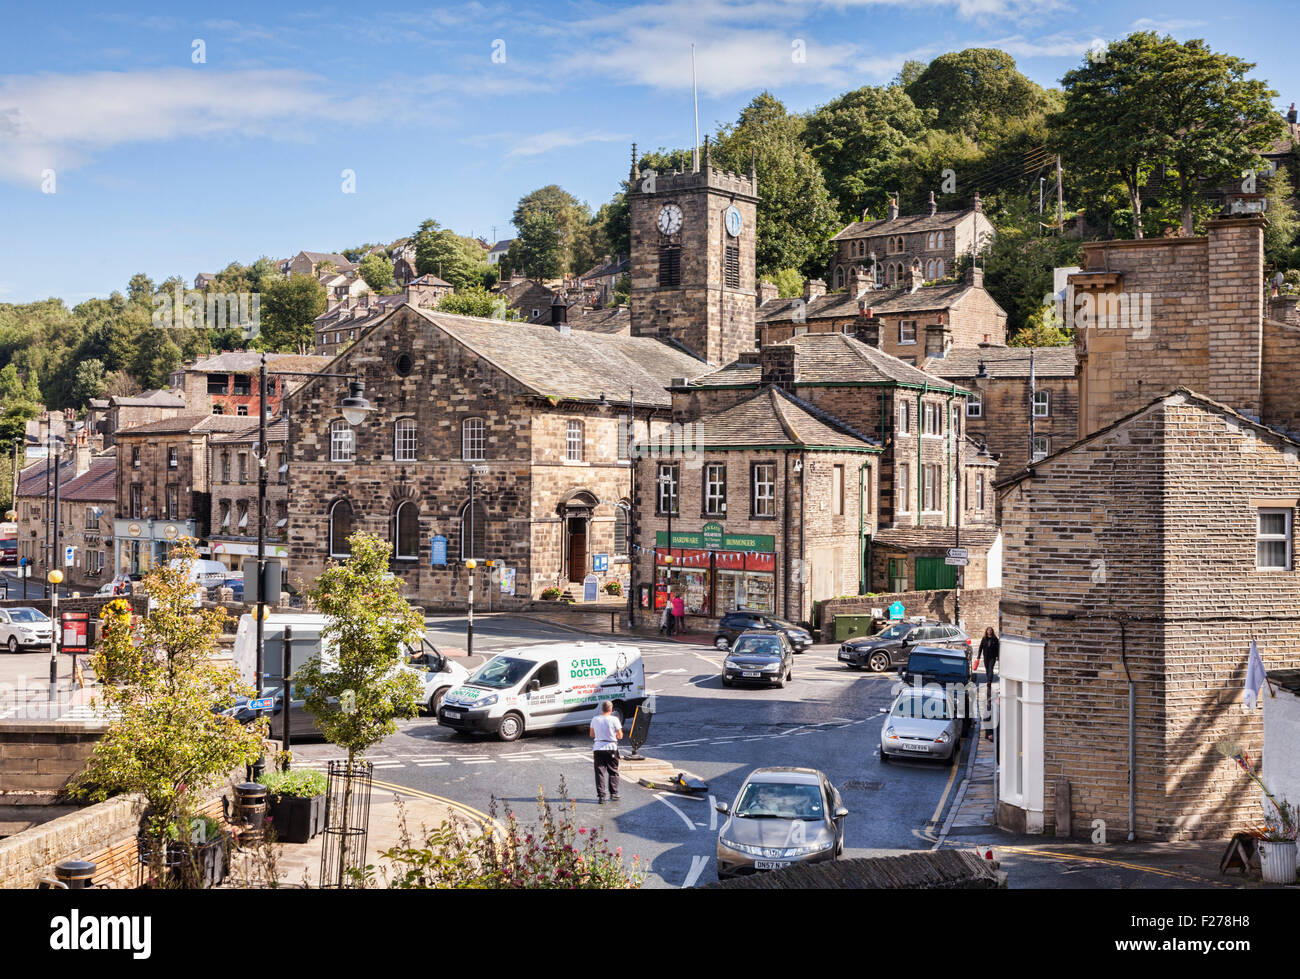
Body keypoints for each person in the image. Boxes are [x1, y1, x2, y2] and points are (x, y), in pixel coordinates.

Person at [589, 700, 623, 804]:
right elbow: (620, 736)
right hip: (611, 747)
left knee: (600, 773)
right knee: (613, 771)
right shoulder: (614, 719)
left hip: (598, 748)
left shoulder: (595, 719)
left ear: (602, 709)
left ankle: (601, 796)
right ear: (611, 709)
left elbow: (592, 735)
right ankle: (613, 794)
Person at [979, 627, 999, 741]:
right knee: (987, 670)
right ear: (986, 631)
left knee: (991, 670)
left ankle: (989, 682)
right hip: (985, 657)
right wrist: (978, 657)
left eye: (991, 630)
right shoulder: (984, 639)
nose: (989, 632)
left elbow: (998, 649)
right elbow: (981, 648)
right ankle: (989, 680)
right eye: (988, 631)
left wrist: (999, 657)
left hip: (992, 658)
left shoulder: (995, 639)